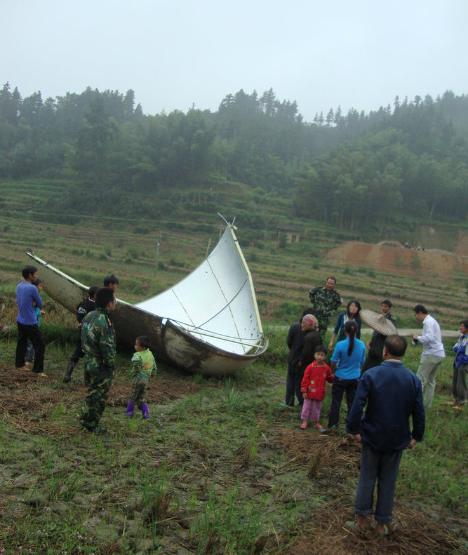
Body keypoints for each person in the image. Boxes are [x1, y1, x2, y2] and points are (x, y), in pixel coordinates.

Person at [346, 335, 425, 535]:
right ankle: (381, 524)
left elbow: (358, 404)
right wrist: (416, 435)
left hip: (371, 435)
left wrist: (354, 429)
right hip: (397, 439)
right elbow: (418, 410)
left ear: (385, 351)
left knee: (367, 476)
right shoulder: (413, 379)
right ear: (404, 353)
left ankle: (362, 520)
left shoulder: (372, 374)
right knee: (388, 481)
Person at [80, 288, 117, 433]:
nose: (115, 303)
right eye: (114, 300)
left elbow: (83, 337)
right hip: (100, 365)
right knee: (99, 396)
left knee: (92, 392)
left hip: (89, 360)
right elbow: (107, 347)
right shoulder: (104, 321)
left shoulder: (89, 316)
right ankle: (91, 425)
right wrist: (111, 365)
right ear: (109, 303)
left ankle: (85, 419)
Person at [325, 320, 365, 432]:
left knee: (336, 402)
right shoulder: (361, 345)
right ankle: (351, 427)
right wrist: (357, 372)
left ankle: (333, 425)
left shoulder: (340, 344)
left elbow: (333, 361)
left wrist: (332, 372)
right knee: (352, 402)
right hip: (355, 378)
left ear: (345, 331)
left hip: (340, 377)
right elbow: (362, 362)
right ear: (357, 330)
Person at [63, 286, 99, 383]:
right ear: (95, 295)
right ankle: (87, 380)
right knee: (91, 356)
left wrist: (81, 323)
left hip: (82, 333)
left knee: (77, 354)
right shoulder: (96, 306)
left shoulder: (83, 304)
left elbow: (79, 316)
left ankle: (68, 374)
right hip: (90, 335)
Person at [15, 266, 46, 376]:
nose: (36, 276)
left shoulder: (19, 286)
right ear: (30, 275)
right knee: (40, 345)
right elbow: (40, 303)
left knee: (21, 342)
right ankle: (38, 370)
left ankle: (20, 364)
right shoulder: (33, 288)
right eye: (35, 274)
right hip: (30, 321)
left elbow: (18, 301)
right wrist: (37, 297)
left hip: (20, 319)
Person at [412, 305, 445, 408]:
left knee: (419, 379)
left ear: (421, 312)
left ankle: (415, 405)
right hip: (439, 353)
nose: (416, 317)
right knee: (431, 381)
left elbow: (429, 337)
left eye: (416, 314)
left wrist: (417, 337)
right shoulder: (432, 320)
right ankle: (427, 405)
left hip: (431, 354)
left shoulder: (428, 322)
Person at [300, 345, 333, 431]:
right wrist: (304, 390)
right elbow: (305, 379)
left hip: (319, 392)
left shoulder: (326, 368)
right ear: (314, 355)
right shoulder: (310, 367)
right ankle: (304, 421)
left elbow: (329, 378)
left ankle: (316, 422)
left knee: (317, 408)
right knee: (306, 406)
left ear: (325, 356)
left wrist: (334, 379)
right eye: (318, 354)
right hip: (309, 391)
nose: (319, 357)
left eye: (322, 355)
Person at [126, 336, 157, 419]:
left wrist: (134, 372)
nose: (135, 346)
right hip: (146, 379)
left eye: (136, 344)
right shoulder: (150, 355)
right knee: (142, 397)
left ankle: (129, 412)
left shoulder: (137, 355)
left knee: (133, 395)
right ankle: (146, 414)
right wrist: (153, 374)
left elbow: (136, 364)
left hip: (138, 379)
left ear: (142, 347)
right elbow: (154, 366)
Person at [362, 300, 395, 372]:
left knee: (376, 366)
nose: (383, 308)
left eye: (385, 306)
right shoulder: (379, 317)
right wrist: (371, 341)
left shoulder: (390, 320)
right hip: (374, 344)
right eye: (382, 306)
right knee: (368, 365)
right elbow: (376, 330)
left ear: (389, 308)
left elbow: (389, 334)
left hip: (381, 345)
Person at [309, 276, 342, 341]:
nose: (330, 285)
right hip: (315, 316)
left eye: (332, 284)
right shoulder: (319, 290)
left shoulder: (336, 295)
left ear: (334, 285)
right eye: (328, 283)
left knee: (321, 337)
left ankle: (318, 350)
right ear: (326, 282)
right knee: (311, 334)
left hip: (324, 319)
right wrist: (314, 303)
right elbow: (311, 293)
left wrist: (331, 312)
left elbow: (338, 303)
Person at [24, 279, 44, 367]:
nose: (42, 287)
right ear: (35, 287)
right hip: (31, 322)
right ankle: (28, 359)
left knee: (31, 341)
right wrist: (40, 312)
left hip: (35, 321)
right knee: (31, 341)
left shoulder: (36, 296)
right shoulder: (33, 297)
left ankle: (28, 358)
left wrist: (40, 311)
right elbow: (31, 310)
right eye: (40, 285)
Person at [452, 319, 468, 409]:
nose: (460, 328)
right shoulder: (462, 337)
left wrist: (462, 360)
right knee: (455, 381)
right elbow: (455, 347)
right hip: (457, 362)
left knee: (461, 383)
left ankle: (461, 401)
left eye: (462, 326)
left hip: (463, 364)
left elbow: (467, 355)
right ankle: (456, 399)